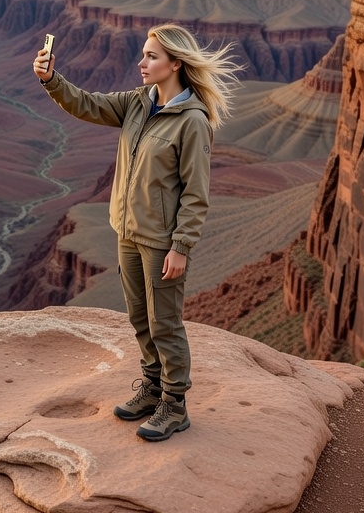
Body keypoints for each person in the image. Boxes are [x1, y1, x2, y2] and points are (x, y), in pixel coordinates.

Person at [33, 23, 239, 441]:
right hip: (127, 231)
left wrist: (181, 247)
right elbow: (86, 105)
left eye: (151, 56)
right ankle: (152, 388)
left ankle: (175, 405)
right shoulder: (136, 103)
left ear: (175, 64)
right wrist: (51, 80)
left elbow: (196, 193)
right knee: (139, 317)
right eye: (144, 54)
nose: (141, 62)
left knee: (165, 322)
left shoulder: (192, 121)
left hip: (162, 240)